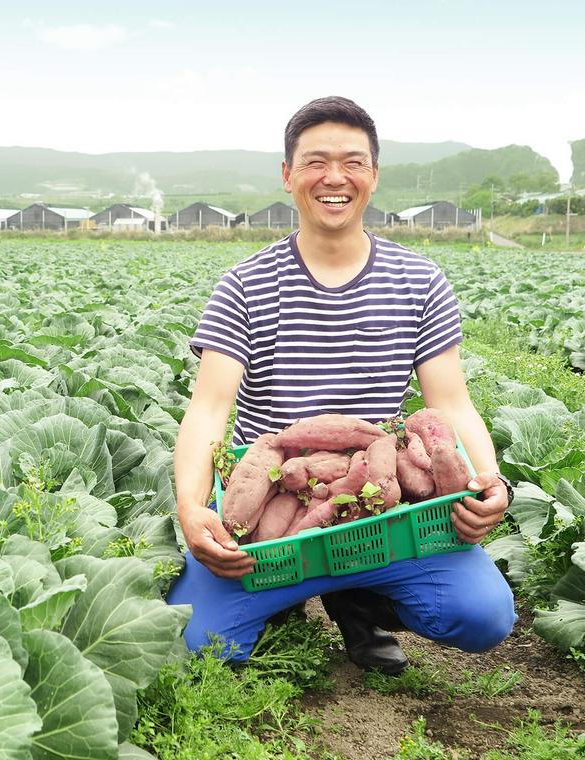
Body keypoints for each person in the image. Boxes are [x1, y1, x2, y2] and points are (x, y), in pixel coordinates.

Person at [167, 96, 516, 675]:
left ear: (373, 177)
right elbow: (207, 411)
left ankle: (357, 596)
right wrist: (189, 506)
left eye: (353, 162)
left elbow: (451, 403)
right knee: (195, 646)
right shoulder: (244, 285)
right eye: (315, 162)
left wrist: (489, 480)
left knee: (482, 616)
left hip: (386, 507)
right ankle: (291, 586)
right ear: (287, 176)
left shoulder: (420, 279)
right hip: (273, 508)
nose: (335, 178)